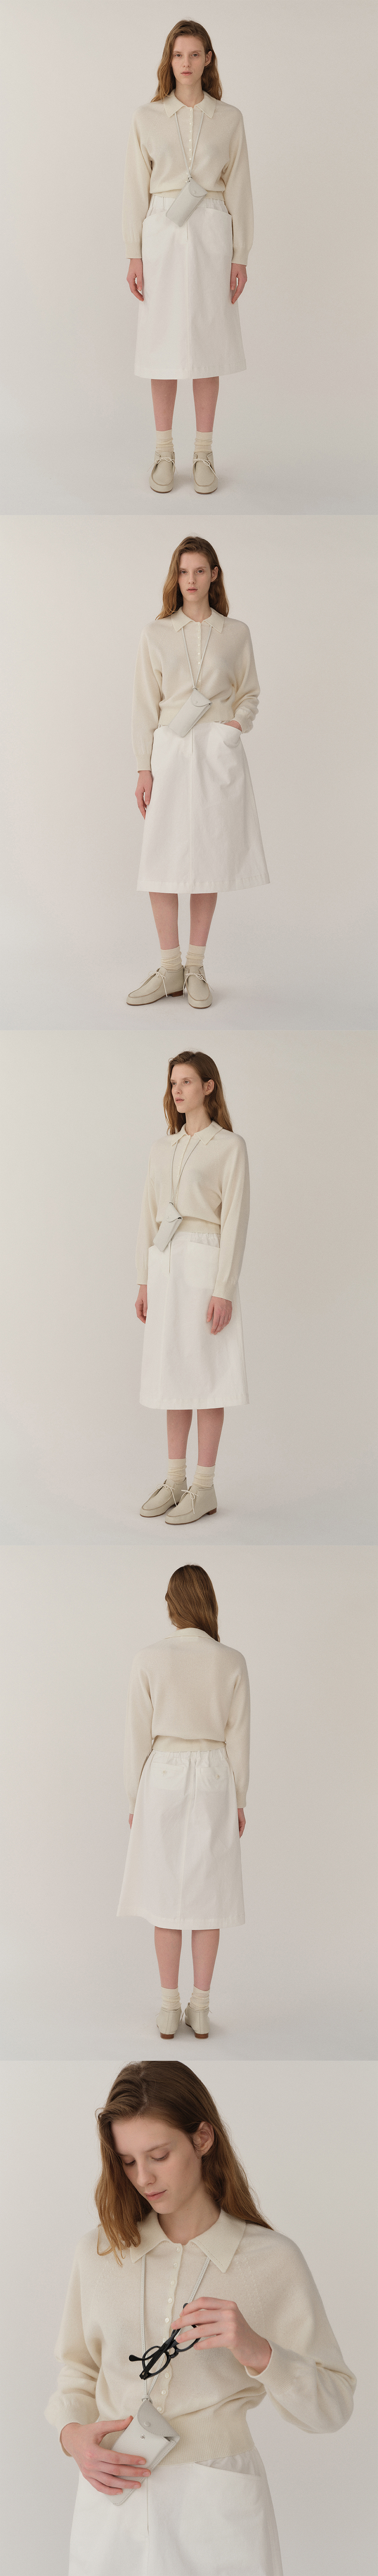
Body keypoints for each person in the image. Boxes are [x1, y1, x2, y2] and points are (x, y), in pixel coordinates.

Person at [46, 2060, 356, 2576]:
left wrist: (260, 2352)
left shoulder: (271, 2260)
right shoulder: (99, 2252)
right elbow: (78, 2371)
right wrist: (72, 2436)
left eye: (159, 2155)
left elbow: (334, 2406)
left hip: (218, 2502)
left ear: (203, 2138)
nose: (144, 2177)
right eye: (128, 2161)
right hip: (113, 2495)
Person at [127, 536, 268, 1012]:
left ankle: (195, 966)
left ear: (214, 575)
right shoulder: (156, 633)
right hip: (170, 748)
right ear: (177, 576)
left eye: (200, 570)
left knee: (209, 854)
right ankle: (169, 968)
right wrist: (144, 766)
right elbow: (144, 705)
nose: (192, 580)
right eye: (184, 571)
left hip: (217, 750)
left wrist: (236, 726)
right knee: (161, 857)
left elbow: (250, 692)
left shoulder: (236, 632)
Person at [117, 1563, 250, 2038]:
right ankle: (201, 2008)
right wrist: (240, 1797)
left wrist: (135, 1798)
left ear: (172, 1605)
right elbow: (239, 1736)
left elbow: (136, 1736)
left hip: (163, 1774)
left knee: (166, 1896)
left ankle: (170, 2008)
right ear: (209, 1602)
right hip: (215, 1775)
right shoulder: (232, 1660)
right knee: (209, 1897)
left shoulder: (148, 1658)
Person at [122, 20, 254, 493]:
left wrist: (240, 255)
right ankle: (163, 452)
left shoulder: (230, 118)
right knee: (162, 344)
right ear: (169, 59)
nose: (187, 63)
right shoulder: (147, 116)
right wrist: (134, 254)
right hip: (162, 233)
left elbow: (239, 187)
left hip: (212, 232)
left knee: (206, 343)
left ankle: (203, 452)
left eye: (195, 54)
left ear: (208, 59)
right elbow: (135, 189)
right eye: (179, 54)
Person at [135, 1049, 249, 1522]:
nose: (177, 1090)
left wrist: (224, 1287)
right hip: (166, 1265)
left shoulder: (230, 1146)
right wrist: (143, 1279)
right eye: (173, 1082)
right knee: (173, 1372)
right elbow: (147, 1215)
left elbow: (236, 1219)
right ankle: (175, 1479)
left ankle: (204, 1486)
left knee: (207, 1374)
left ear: (208, 1086)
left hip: (205, 1262)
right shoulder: (162, 1148)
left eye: (186, 1081)